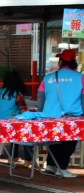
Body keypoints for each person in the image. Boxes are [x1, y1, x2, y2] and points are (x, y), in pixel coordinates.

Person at [37, 48, 84, 178]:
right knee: (69, 143)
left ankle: (51, 165)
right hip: (72, 117)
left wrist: (40, 114)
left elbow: (40, 98)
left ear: (61, 62)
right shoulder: (80, 78)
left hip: (50, 116)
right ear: (74, 62)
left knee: (55, 141)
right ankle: (62, 168)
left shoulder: (48, 78)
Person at [0, 70, 31, 181]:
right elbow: (25, 112)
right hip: (11, 126)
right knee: (28, 134)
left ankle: (12, 159)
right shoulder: (18, 95)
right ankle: (29, 159)